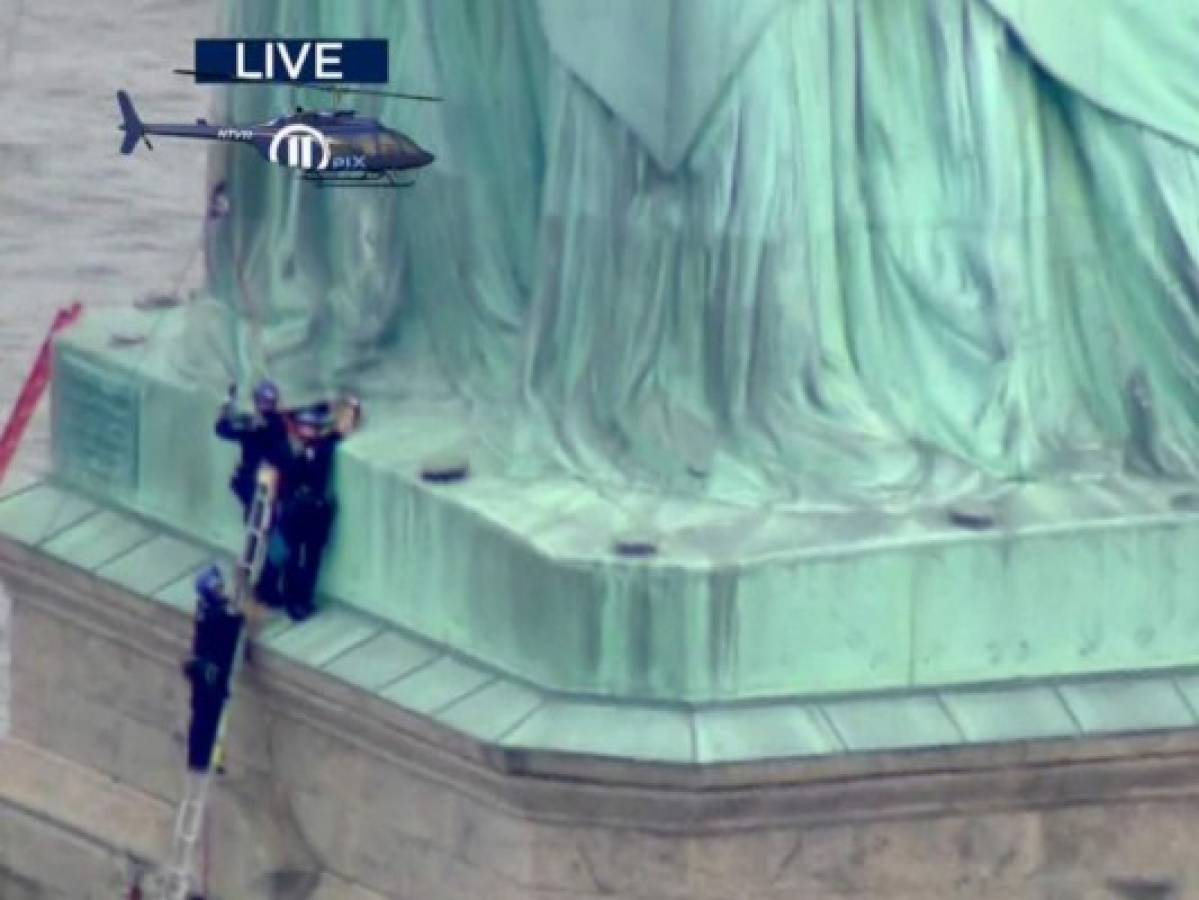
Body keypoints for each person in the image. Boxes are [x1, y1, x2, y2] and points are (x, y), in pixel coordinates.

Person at [270, 397, 362, 622]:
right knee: (291, 557)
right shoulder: (288, 448)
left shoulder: (324, 445)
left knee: (312, 558)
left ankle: (304, 600)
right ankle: (292, 600)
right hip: (294, 509)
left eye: (314, 426)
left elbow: (343, 429)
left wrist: (351, 408)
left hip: (315, 509)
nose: (311, 430)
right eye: (308, 426)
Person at [182, 565, 244, 773]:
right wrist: (237, 622)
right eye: (217, 588)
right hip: (209, 673)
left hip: (209, 670)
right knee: (206, 716)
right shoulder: (212, 613)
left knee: (208, 716)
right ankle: (201, 758)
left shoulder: (208, 609)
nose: (221, 591)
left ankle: (204, 757)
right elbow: (226, 632)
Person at [213, 380, 289, 520]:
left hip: (275, 474)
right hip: (250, 473)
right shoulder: (249, 423)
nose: (265, 405)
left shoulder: (278, 423)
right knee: (238, 483)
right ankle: (253, 514)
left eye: (269, 402)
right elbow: (223, 430)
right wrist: (228, 404)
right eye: (262, 401)